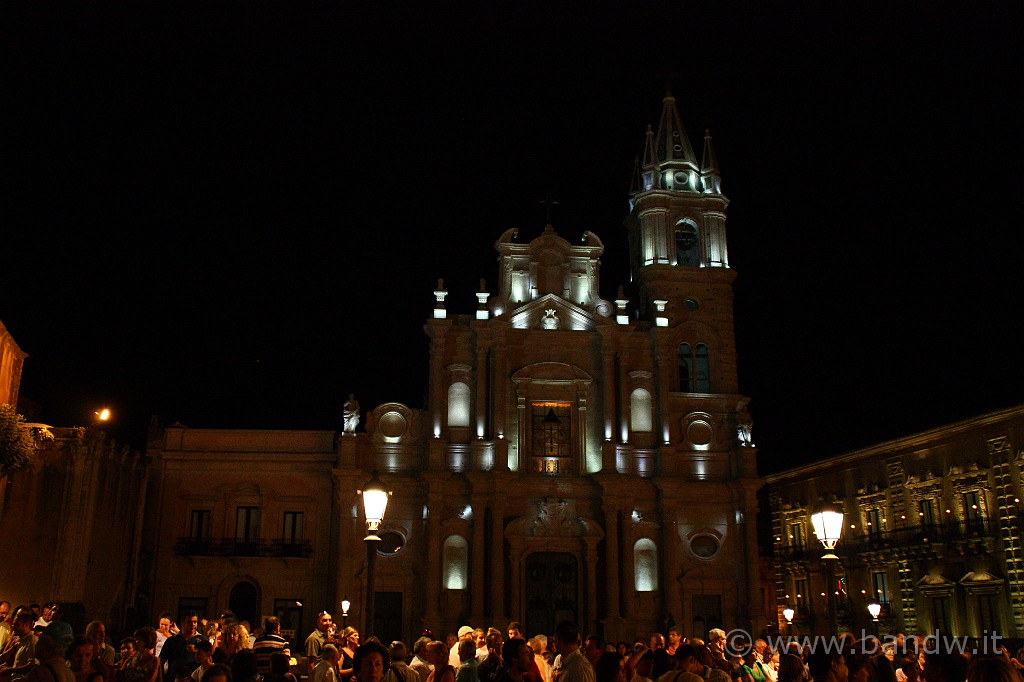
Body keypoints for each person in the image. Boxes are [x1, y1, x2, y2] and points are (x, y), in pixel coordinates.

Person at [163, 612, 206, 682]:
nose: (192, 625)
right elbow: (162, 660)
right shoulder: (172, 640)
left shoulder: (202, 640)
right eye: (189, 622)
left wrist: (197, 651)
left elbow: (208, 659)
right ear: (182, 623)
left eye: (195, 622)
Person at [306, 614, 334, 679]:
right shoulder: (313, 638)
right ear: (318, 622)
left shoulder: (329, 636)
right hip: (320, 675)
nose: (328, 623)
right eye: (324, 621)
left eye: (330, 620)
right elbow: (311, 663)